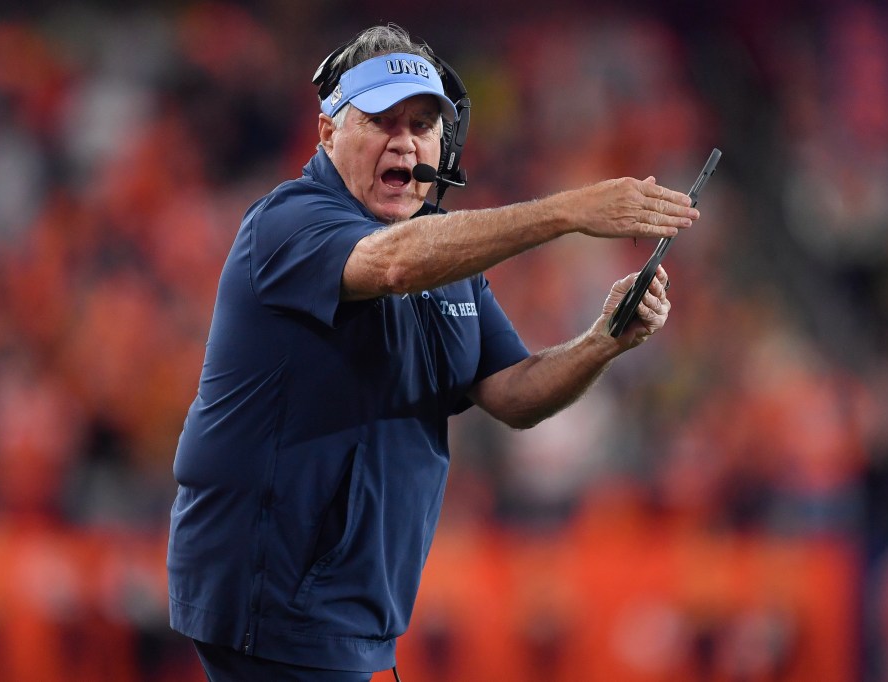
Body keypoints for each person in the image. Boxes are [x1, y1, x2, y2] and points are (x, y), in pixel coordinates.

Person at [167, 23, 699, 682]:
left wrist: (602, 342)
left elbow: (512, 392)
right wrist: (567, 212)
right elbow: (391, 265)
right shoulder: (287, 221)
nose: (405, 141)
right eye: (380, 121)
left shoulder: (442, 252)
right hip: (272, 602)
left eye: (422, 124)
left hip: (350, 613)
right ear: (328, 133)